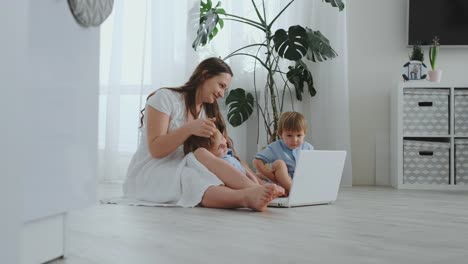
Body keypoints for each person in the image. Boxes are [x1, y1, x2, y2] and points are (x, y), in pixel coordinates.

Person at [123, 57, 284, 211]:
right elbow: (155, 150)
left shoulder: (207, 111)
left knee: (200, 162)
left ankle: (254, 191)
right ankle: (245, 197)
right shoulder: (165, 98)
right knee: (192, 176)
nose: (222, 94)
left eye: (225, 89)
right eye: (221, 85)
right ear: (204, 76)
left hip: (186, 163)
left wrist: (257, 183)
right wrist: (188, 128)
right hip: (153, 170)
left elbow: (230, 152)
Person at [253, 111, 314, 195]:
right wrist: (269, 174)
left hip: (300, 181)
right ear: (281, 134)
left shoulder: (308, 148)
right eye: (289, 135)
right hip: (279, 180)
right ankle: (293, 191)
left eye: (299, 135)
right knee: (279, 163)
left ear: (304, 134)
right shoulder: (275, 147)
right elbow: (257, 161)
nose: (294, 140)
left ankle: (286, 191)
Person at [183, 129, 261, 185]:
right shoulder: (218, 165)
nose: (225, 144)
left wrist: (256, 183)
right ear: (209, 154)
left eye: (222, 138)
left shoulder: (229, 155)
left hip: (250, 183)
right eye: (219, 147)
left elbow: (245, 171)